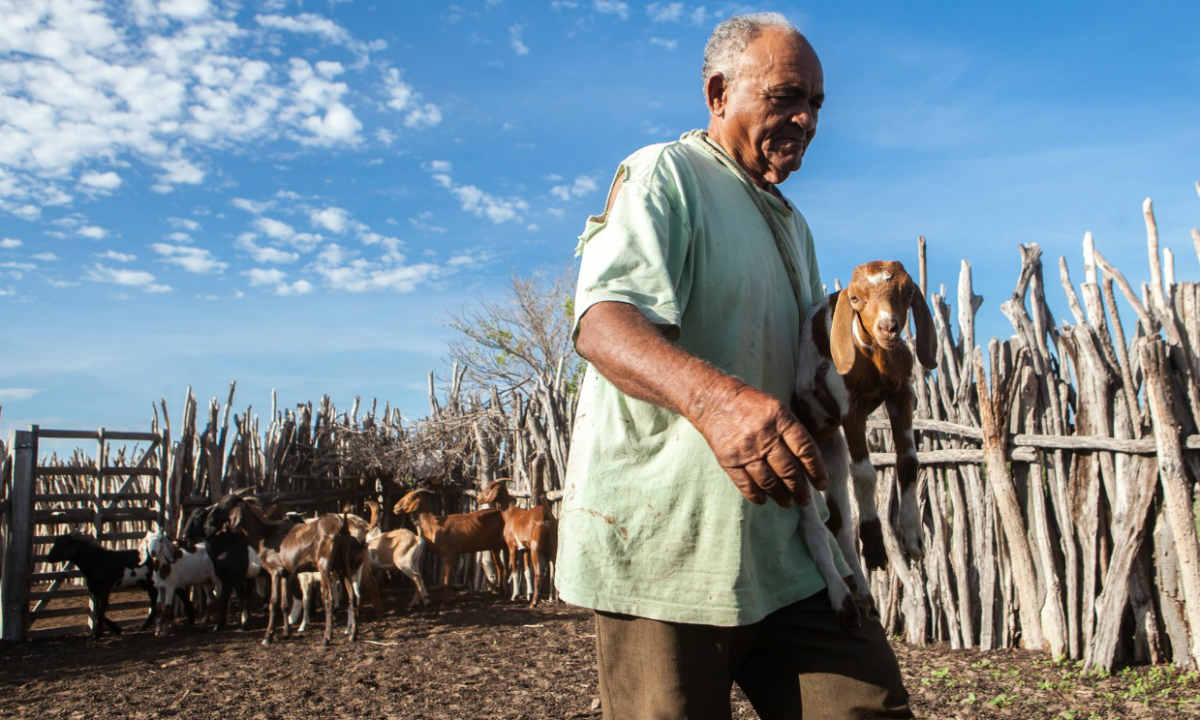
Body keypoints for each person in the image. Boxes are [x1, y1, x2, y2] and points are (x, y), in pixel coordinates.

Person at [556, 12, 914, 720]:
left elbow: (808, 363)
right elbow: (603, 322)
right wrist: (717, 403)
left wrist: (869, 368)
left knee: (866, 705)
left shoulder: (791, 221)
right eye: (786, 97)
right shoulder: (667, 174)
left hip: (789, 545)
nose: (807, 118)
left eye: (815, 104)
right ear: (719, 94)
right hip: (668, 549)